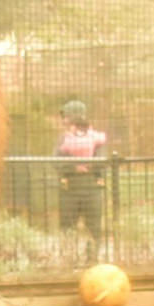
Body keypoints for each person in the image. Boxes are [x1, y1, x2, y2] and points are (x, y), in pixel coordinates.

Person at [55, 100, 107, 264]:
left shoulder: (96, 138)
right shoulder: (63, 139)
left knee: (94, 225)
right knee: (67, 224)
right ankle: (69, 260)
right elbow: (57, 162)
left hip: (92, 187)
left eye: (66, 116)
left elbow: (102, 162)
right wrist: (75, 168)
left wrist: (89, 167)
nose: (63, 120)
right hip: (69, 187)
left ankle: (92, 259)